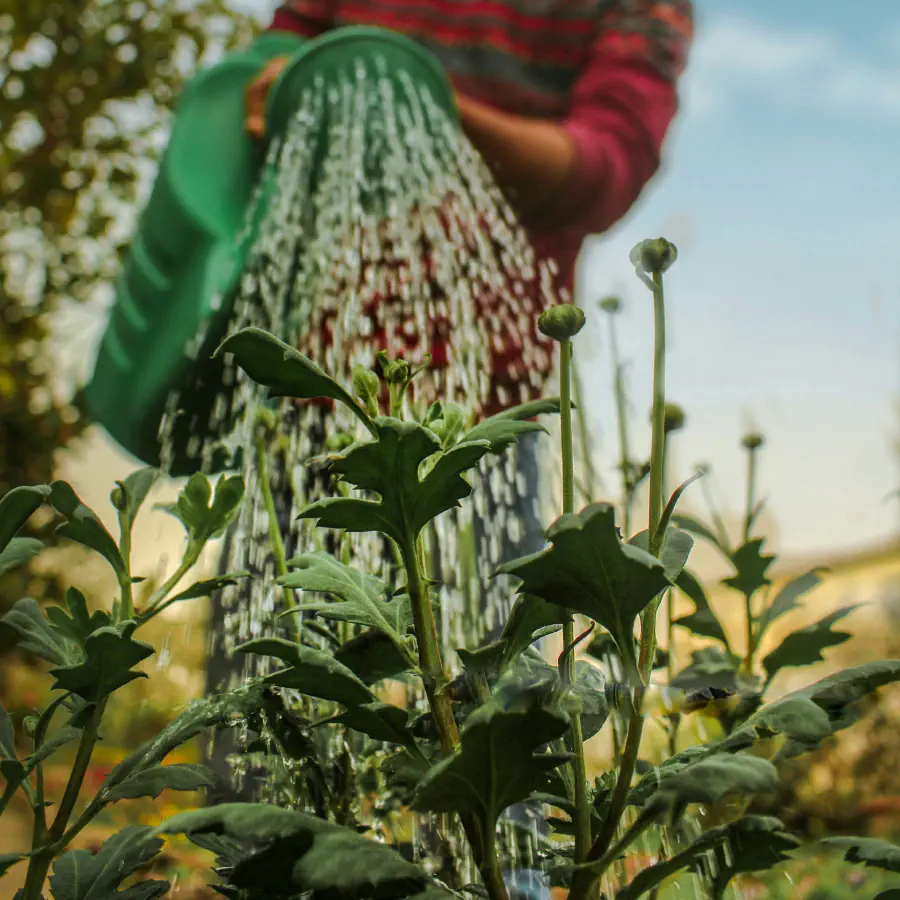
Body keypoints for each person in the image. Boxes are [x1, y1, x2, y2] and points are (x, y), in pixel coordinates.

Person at [207, 2, 693, 897]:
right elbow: (279, 58)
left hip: (482, 417)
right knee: (268, 737)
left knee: (493, 745)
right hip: (306, 385)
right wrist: (269, 86)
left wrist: (420, 100)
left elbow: (603, 169)